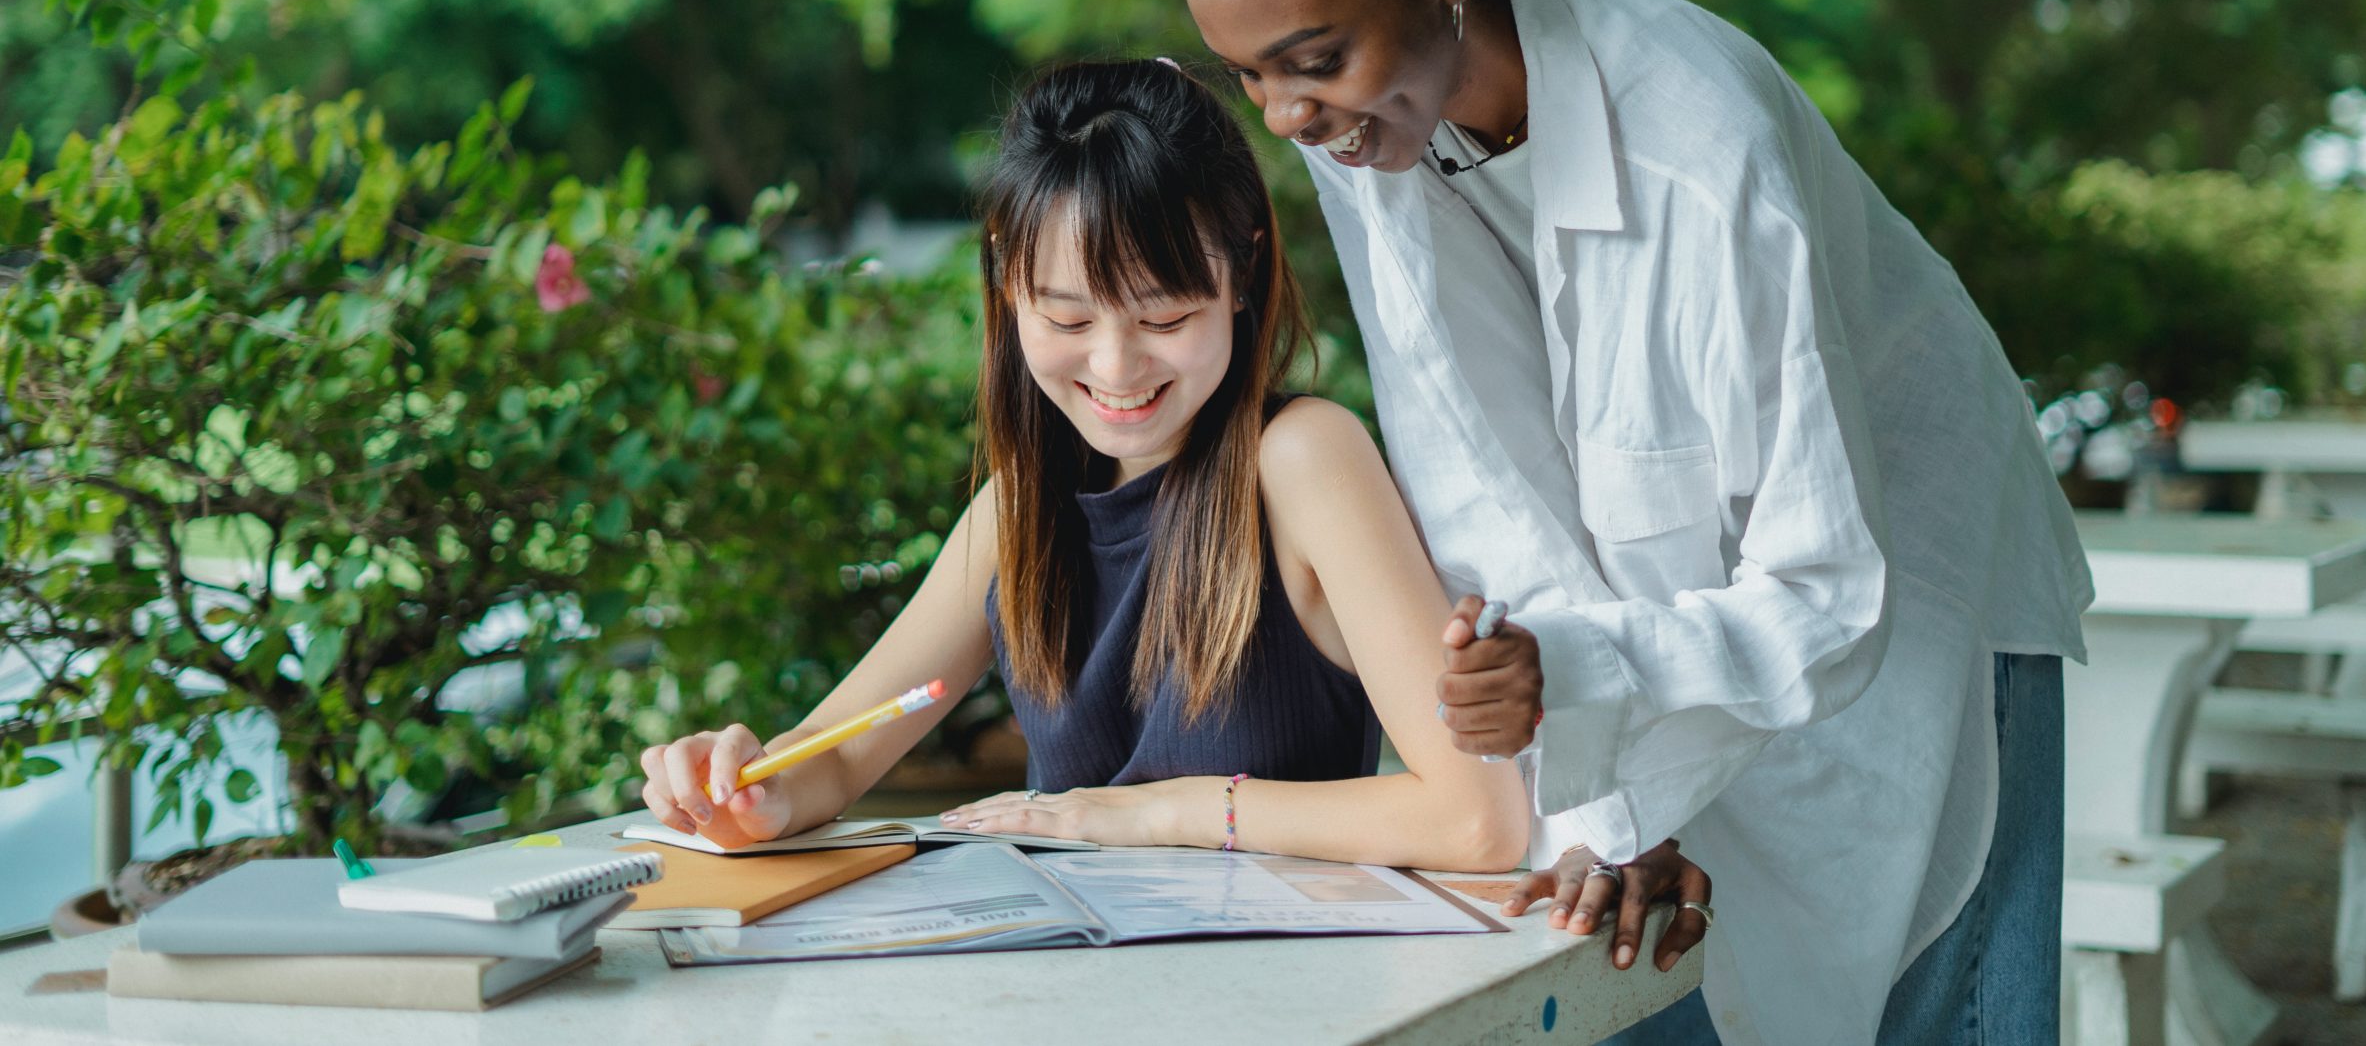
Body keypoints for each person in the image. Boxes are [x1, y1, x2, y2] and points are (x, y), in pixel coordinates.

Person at [1174, 0, 2094, 1044]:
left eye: (1306, 62)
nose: (1281, 116)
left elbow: (1832, 596)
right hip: (1662, 641)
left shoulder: (1703, 151)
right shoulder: (1372, 115)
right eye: (1247, 77)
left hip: (1913, 600)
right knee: (1652, 961)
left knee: (1934, 1005)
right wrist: (1611, 800)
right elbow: (1480, 474)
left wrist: (1580, 674)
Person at [637, 62, 1664, 912]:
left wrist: (1159, 812)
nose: (1118, 367)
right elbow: (837, 755)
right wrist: (746, 785)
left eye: (1165, 315)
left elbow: (1474, 821)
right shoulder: (1017, 509)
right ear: (1007, 284)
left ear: (1243, 275)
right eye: (1069, 319)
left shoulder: (1301, 460)